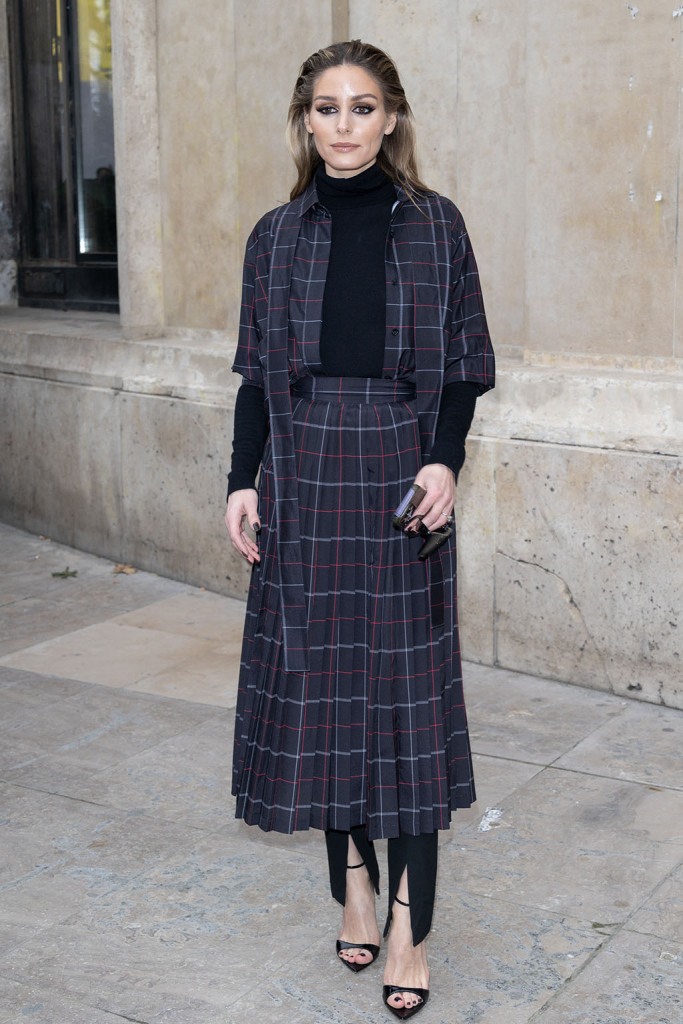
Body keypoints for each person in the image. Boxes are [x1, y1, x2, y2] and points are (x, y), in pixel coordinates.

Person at [225, 39, 494, 1020]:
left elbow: (462, 360)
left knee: (407, 707)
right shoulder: (274, 235)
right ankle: (351, 885)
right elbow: (255, 372)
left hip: (398, 473)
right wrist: (240, 481)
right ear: (305, 120)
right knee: (324, 693)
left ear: (391, 119)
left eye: (362, 107)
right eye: (327, 108)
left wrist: (442, 459)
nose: (343, 124)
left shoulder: (433, 227)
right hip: (299, 472)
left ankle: (409, 928)